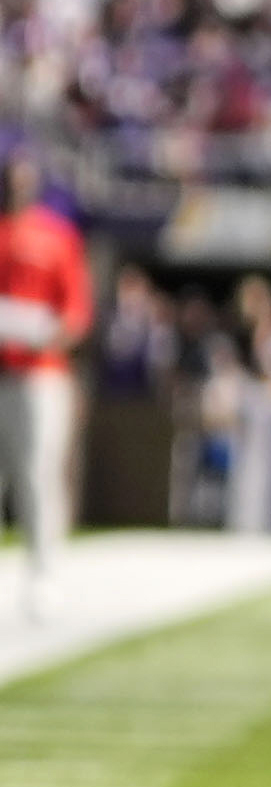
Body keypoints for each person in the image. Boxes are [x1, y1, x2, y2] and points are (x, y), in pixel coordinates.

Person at [0, 142, 92, 617]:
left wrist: (47, 335)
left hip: (40, 374)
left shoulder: (55, 237)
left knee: (37, 475)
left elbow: (75, 312)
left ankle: (44, 575)